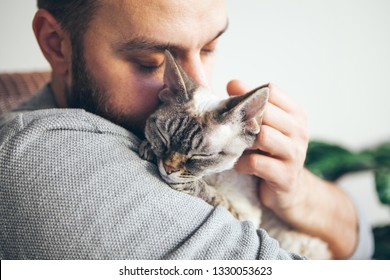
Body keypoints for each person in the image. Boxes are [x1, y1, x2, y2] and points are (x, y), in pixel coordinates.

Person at [0, 0, 373, 259]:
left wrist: (296, 193)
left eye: (209, 47)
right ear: (56, 43)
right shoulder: (45, 158)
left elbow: (361, 246)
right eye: (152, 62)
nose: (198, 84)